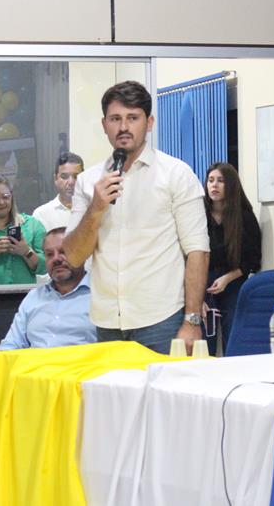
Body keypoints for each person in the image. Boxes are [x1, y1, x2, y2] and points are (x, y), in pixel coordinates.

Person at [63, 80, 209, 355]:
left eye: (133, 118)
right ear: (104, 124)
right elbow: (73, 257)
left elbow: (198, 252)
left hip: (162, 318)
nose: (123, 127)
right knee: (112, 399)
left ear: (149, 122)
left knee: (164, 399)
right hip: (107, 321)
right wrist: (96, 208)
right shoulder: (89, 181)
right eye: (115, 119)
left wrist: (192, 319)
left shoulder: (176, 174)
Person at [0, 227, 95, 350]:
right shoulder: (34, 297)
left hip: (83, 367)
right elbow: (12, 344)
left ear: (83, 254)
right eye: (49, 254)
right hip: (34, 367)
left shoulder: (101, 295)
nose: (56, 259)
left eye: (64, 251)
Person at [202, 162, 262, 355]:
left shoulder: (244, 216)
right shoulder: (198, 214)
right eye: (211, 180)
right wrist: (197, 296)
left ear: (231, 185)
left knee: (233, 340)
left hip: (233, 282)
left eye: (220, 181)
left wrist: (227, 278)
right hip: (203, 281)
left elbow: (253, 261)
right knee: (204, 342)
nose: (214, 185)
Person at [32, 152, 84, 231]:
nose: (71, 182)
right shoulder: (41, 215)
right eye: (64, 176)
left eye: (76, 176)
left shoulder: (93, 210)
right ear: (55, 179)